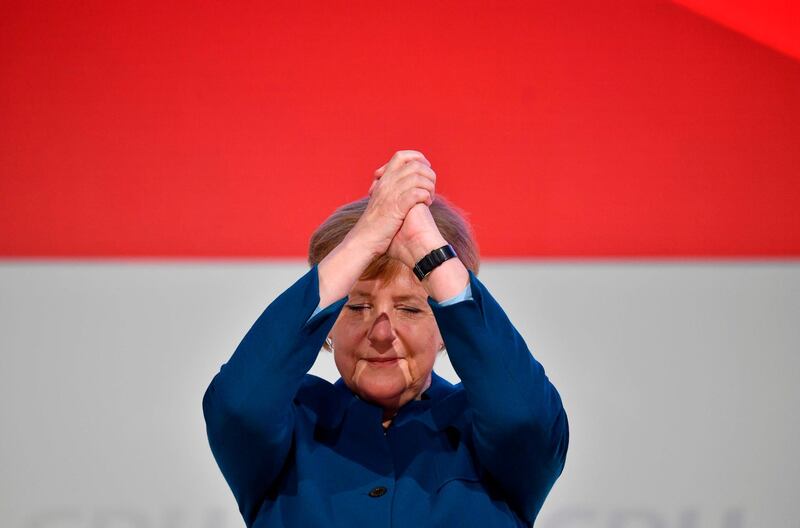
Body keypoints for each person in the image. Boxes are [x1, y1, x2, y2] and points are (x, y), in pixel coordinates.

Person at [202, 150, 569, 527]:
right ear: (327, 323)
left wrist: (427, 244)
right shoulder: (293, 426)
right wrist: (365, 238)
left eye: (409, 309)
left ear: (448, 328)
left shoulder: (479, 430)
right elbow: (237, 407)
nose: (380, 333)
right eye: (357, 307)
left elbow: (525, 420)